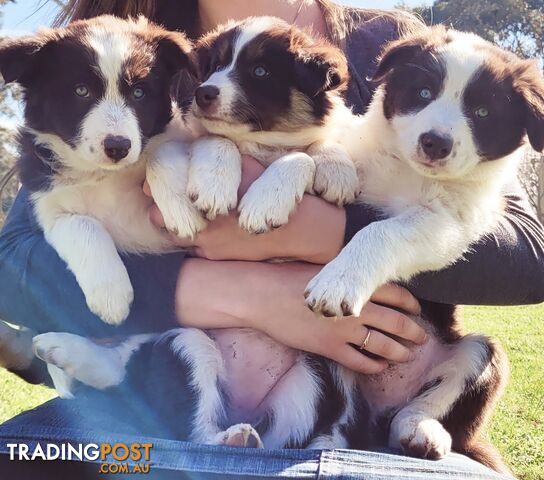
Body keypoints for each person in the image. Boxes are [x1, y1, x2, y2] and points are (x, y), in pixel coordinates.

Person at [0, 0, 540, 478]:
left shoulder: (394, 45)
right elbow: (14, 265)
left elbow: (529, 254)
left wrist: (328, 234)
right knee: (26, 458)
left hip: (350, 420)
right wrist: (241, 293)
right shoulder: (132, 43)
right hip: (176, 389)